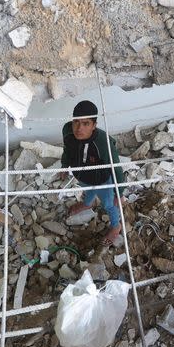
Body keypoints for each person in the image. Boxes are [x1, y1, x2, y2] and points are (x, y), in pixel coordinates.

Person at [61, 100, 125, 246]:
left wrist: (120, 193)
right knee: (87, 190)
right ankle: (87, 204)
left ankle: (116, 226)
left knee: (109, 204)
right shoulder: (67, 131)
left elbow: (116, 167)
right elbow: (66, 149)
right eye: (76, 122)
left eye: (86, 124)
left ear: (94, 126)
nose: (79, 128)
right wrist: (65, 165)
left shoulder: (103, 142)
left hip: (102, 180)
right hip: (82, 175)